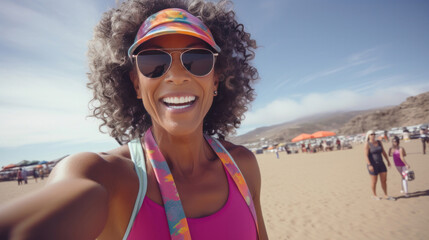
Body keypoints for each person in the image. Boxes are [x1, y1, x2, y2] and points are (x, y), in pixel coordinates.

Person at [0, 1, 268, 239]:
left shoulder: (243, 166)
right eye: (153, 62)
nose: (176, 75)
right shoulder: (108, 177)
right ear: (136, 84)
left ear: (215, 80)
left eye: (197, 60)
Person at [364, 130, 395, 200]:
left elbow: (383, 152)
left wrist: (388, 161)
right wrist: (369, 165)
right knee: (374, 181)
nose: (373, 135)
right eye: (371, 134)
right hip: (373, 165)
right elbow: (366, 156)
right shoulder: (367, 144)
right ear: (368, 136)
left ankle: (386, 195)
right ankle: (374, 195)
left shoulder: (379, 142)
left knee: (384, 180)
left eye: (374, 134)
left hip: (381, 163)